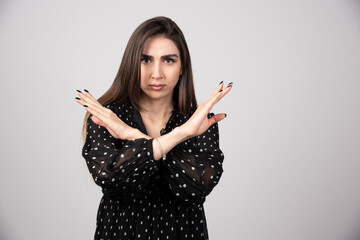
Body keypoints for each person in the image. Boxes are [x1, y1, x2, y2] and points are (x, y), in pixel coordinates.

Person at [75, 16, 232, 240]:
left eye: (168, 60)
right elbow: (112, 182)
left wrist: (134, 137)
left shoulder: (200, 122)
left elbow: (196, 189)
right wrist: (181, 135)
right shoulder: (107, 117)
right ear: (131, 63)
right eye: (145, 60)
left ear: (182, 67)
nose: (156, 73)